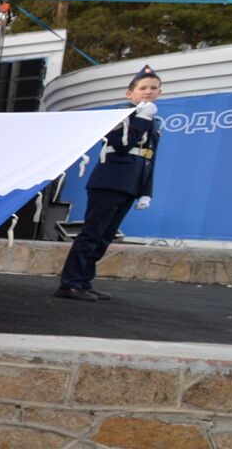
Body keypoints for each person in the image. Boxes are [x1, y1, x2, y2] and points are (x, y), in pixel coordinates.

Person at [56, 64, 163, 302]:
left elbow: (149, 159)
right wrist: (142, 119)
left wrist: (146, 192)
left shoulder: (154, 122)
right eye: (143, 87)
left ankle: (84, 281)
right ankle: (70, 283)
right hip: (109, 181)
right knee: (92, 234)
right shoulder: (120, 115)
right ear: (130, 94)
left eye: (153, 88)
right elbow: (123, 144)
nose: (148, 91)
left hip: (130, 184)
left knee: (105, 237)